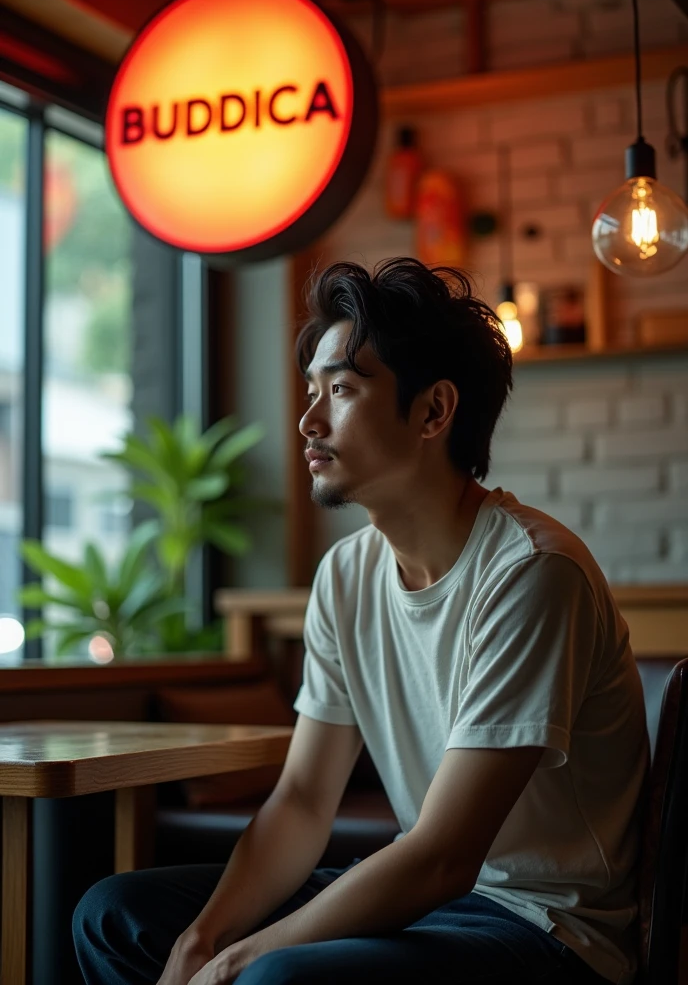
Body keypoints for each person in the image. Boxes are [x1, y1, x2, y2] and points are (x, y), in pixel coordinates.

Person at [74, 258, 649, 985]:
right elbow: (305, 800)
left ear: (434, 412)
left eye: (341, 391)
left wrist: (242, 958)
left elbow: (444, 854)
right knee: (116, 915)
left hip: (543, 926)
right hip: (430, 900)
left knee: (269, 978)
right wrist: (202, 941)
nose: (309, 421)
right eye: (312, 392)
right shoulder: (345, 576)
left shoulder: (532, 572)